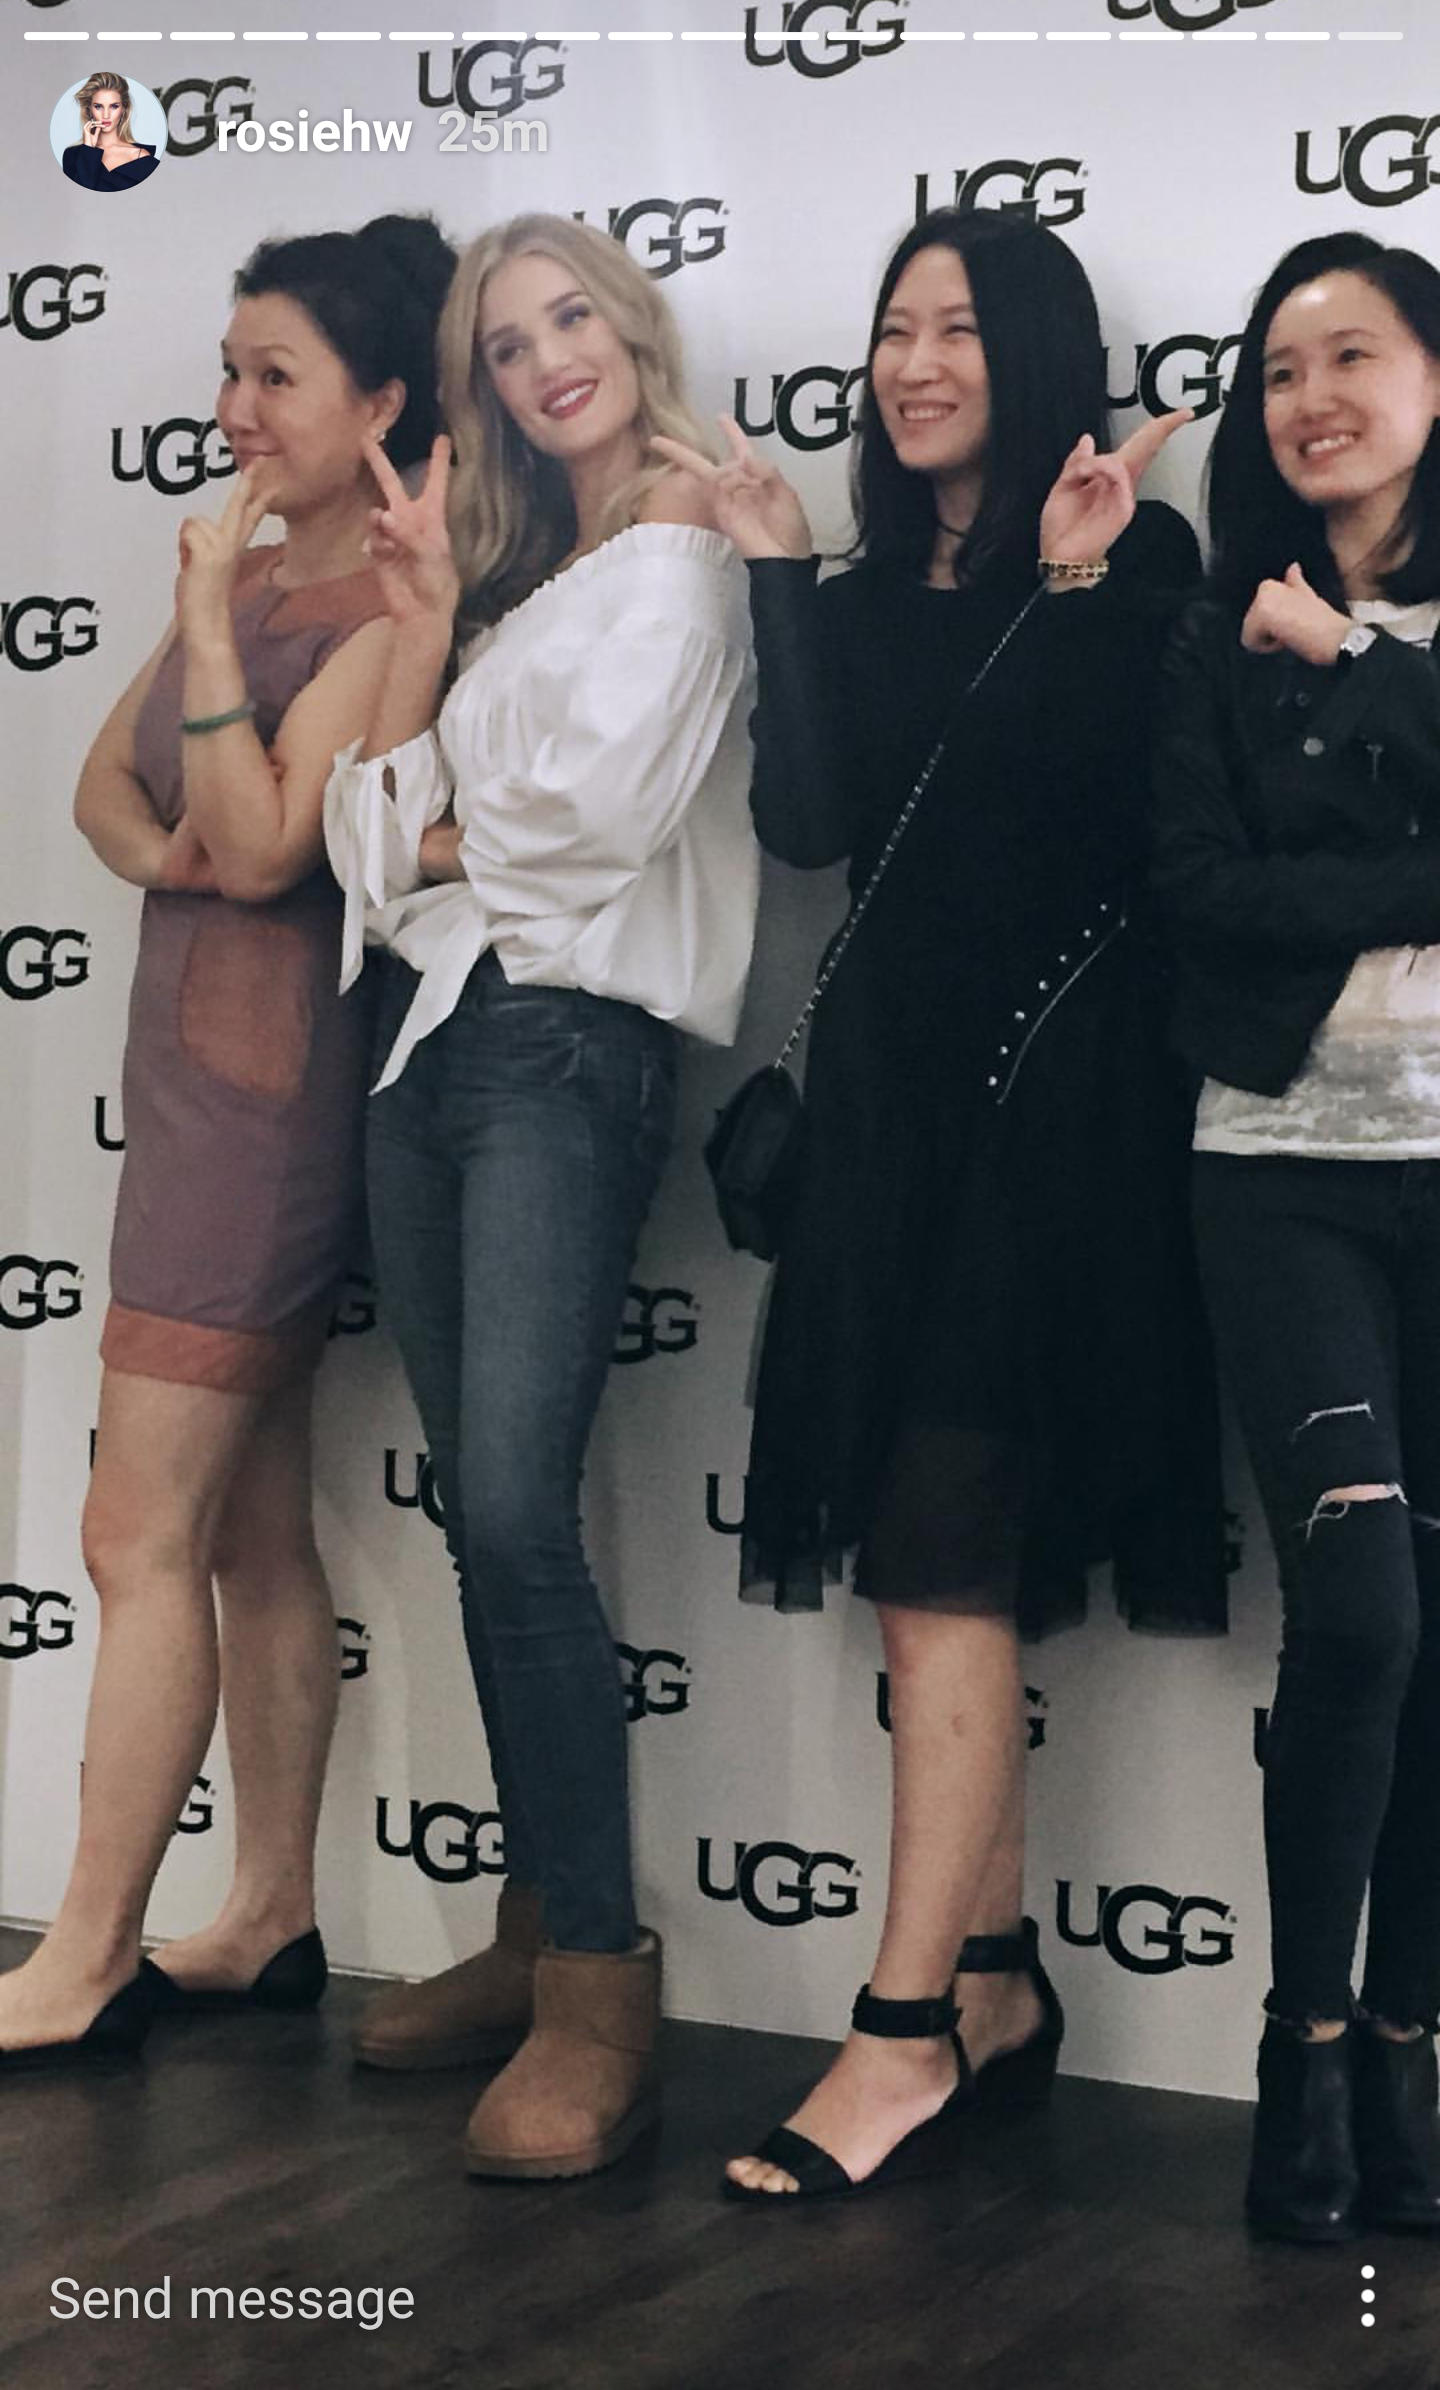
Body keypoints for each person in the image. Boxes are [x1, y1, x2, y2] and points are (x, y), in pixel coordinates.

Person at [657, 205, 1226, 2204]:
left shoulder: (1137, 557)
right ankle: (992, 1979)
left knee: (941, 1559)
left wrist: (1072, 586)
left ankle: (897, 2032)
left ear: (1039, 350)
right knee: (933, 1560)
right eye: (895, 327)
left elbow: (1125, 825)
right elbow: (813, 825)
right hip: (892, 1126)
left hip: (1055, 1125)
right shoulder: (861, 586)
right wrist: (775, 574)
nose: (913, 364)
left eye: (959, 329)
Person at [323, 213, 758, 2181]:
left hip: (564, 1047)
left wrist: (431, 826)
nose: (544, 358)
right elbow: (361, 844)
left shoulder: (685, 538)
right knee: (487, 1522)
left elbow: (587, 823)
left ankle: (598, 1980)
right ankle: (528, 1924)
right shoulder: (517, 585)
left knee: (511, 1511)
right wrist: (423, 667)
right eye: (505, 344)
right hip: (425, 1049)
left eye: (570, 314)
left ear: (629, 321)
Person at [0, 215, 454, 2071]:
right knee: (253, 1526)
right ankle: (267, 1911)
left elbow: (273, 846)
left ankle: (85, 1950)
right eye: (230, 369)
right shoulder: (257, 572)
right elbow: (109, 792)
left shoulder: (383, 612)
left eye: (277, 375)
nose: (236, 408)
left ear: (383, 403)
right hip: (192, 1085)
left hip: (267, 1117)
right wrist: (178, 844)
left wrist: (202, 639)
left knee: (136, 1529)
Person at [1153, 229, 1440, 2244]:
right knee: (1363, 1623)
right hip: (1279, 1174)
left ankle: (1405, 2059)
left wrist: (1354, 664)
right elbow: (1197, 898)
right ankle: (1301, 2047)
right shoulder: (1208, 637)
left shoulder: (1318, 645)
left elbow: (1278, 892)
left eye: (1351, 355)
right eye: (1278, 370)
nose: (1309, 399)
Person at [62, 72, 159, 192]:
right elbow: (78, 197)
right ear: (89, 110)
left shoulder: (140, 157)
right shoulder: (72, 156)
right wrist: (88, 151)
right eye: (98, 107)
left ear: (123, 109)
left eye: (114, 106)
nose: (106, 115)